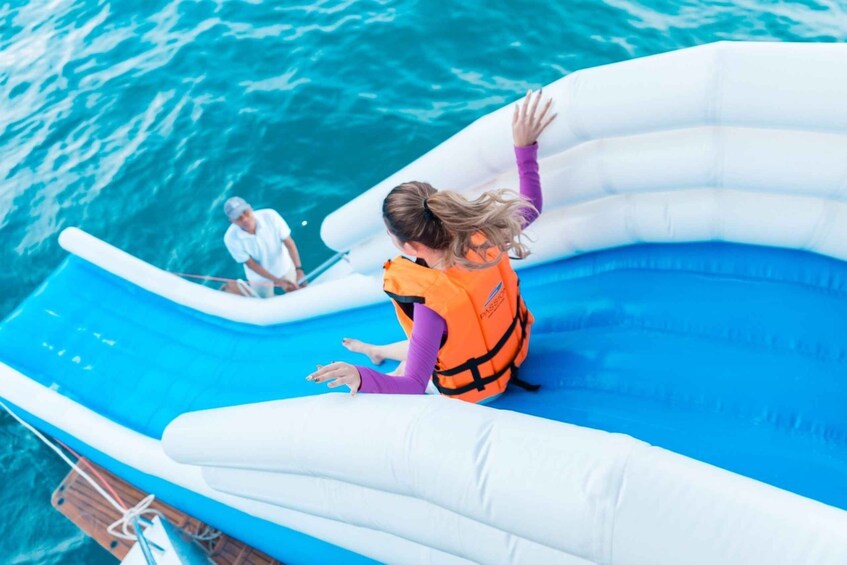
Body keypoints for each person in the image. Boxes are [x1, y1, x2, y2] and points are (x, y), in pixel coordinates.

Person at [308, 89, 556, 403]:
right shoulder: (487, 239)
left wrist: (359, 377)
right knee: (428, 345)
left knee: (402, 372)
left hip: (480, 394)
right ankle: (377, 350)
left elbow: (413, 383)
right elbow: (531, 206)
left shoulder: (431, 305)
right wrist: (524, 146)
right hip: (516, 350)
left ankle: (376, 356)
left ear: (410, 247)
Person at [222, 197, 306, 298]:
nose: (245, 219)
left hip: (284, 266)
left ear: (251, 209)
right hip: (259, 278)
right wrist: (278, 281)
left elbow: (289, 243)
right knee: (265, 302)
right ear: (231, 221)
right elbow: (251, 264)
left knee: (300, 292)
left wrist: (299, 270)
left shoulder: (270, 216)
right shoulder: (230, 238)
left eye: (245, 212)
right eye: (238, 217)